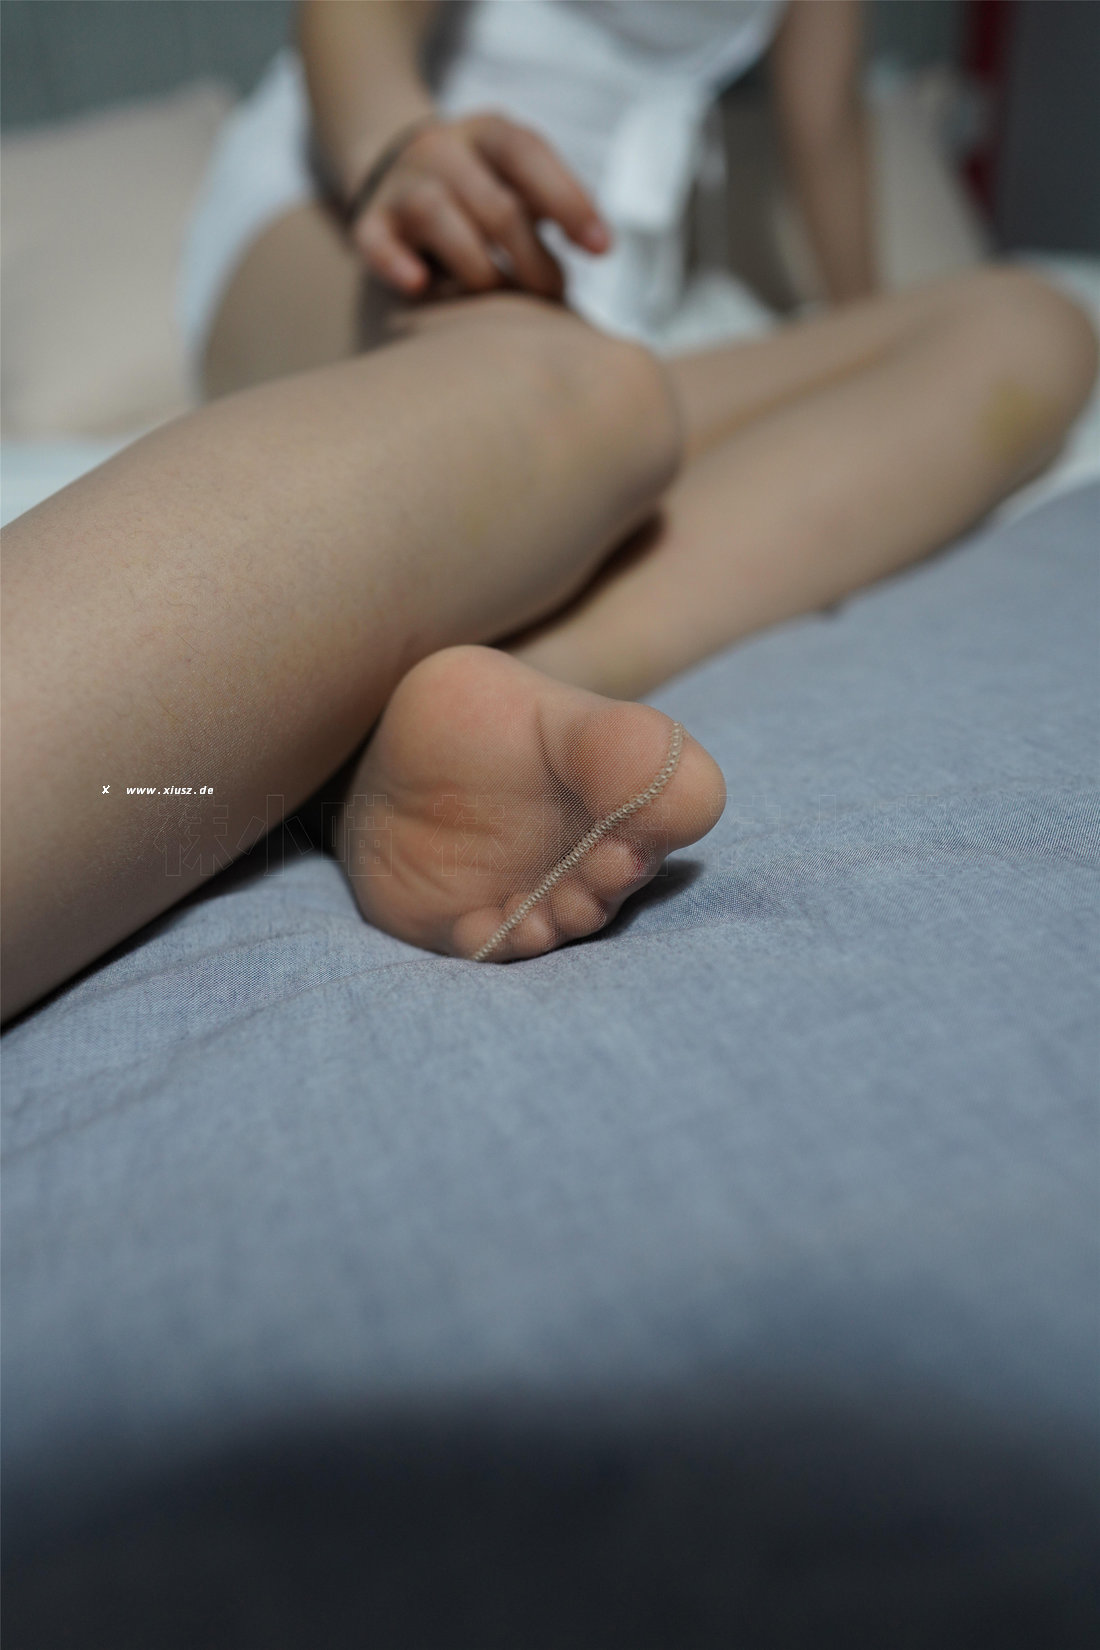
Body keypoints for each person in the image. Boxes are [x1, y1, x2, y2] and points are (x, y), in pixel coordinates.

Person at [3, 266, 1096, 1022]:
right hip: (356, 246)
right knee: (585, 393)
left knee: (1033, 330)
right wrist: (394, 147)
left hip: (581, 327)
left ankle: (379, 724)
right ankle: (406, 713)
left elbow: (827, 130)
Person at [186, 0, 877, 397]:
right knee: (521, 414)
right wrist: (393, 145)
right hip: (348, 187)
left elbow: (826, 126)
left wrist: (868, 331)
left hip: (589, 280)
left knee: (941, 354)